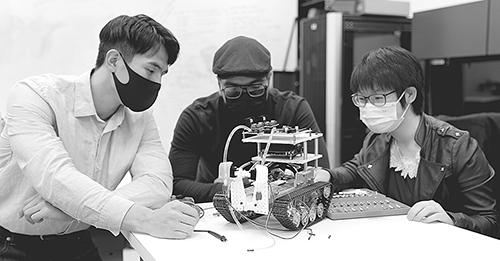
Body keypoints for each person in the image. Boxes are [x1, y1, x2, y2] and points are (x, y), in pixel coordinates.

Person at [0, 14, 200, 261]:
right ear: (114, 60)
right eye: (151, 69)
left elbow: (157, 184)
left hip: (77, 243)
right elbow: (55, 178)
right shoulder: (35, 97)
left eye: (162, 74)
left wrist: (76, 211)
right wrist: (147, 219)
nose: (157, 82)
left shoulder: (141, 119)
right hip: (12, 247)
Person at [315, 46, 498, 237]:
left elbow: (488, 221)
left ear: (409, 95)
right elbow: (357, 168)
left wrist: (451, 219)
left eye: (378, 98)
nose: (368, 107)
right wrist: (328, 175)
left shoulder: (457, 147)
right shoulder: (376, 138)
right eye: (362, 99)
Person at [169, 36, 330, 203]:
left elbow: (322, 172)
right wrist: (225, 190)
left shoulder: (293, 109)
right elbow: (177, 183)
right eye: (233, 91)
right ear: (219, 84)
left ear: (270, 77)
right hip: (218, 208)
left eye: (255, 89)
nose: (244, 97)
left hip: (281, 203)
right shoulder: (197, 117)